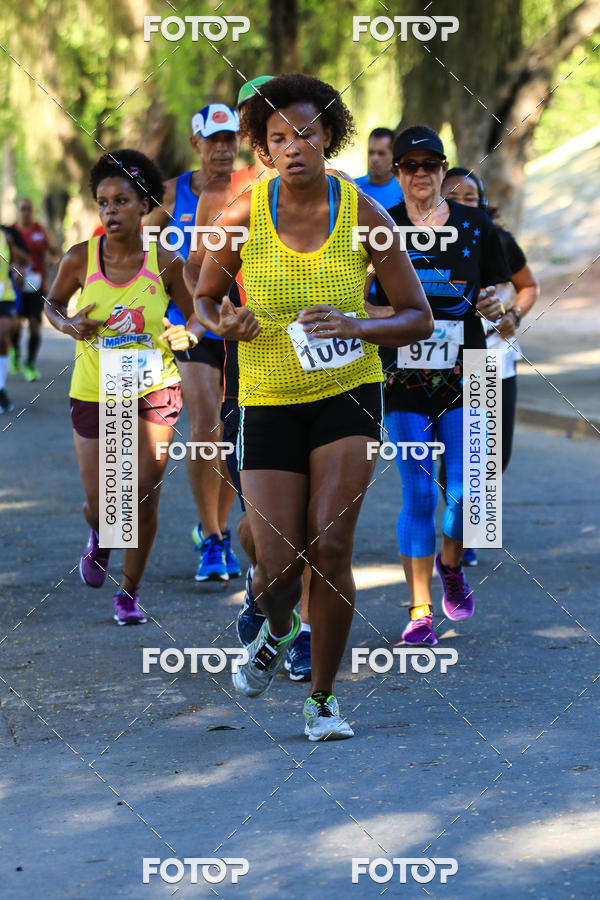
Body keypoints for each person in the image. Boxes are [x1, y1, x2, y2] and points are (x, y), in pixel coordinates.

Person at [193, 73, 433, 740]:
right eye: (277, 138)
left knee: (330, 546)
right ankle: (277, 627)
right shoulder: (242, 214)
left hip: (347, 394)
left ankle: (323, 701)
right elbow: (205, 298)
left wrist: (358, 325)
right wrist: (226, 322)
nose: (293, 145)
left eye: (304, 131)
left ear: (329, 134)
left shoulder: (365, 216)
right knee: (279, 565)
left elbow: (417, 316)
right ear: (263, 151)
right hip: (267, 398)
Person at [46, 150, 202, 624]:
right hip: (96, 390)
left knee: (143, 490)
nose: (110, 211)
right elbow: (52, 305)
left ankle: (128, 592)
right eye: (103, 203)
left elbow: (199, 310)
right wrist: (70, 323)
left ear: (144, 205)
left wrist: (188, 331)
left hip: (153, 386)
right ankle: (99, 536)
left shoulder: (167, 261)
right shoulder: (80, 258)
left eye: (121, 201)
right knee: (103, 504)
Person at [372, 127, 510, 646]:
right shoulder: (382, 228)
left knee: (469, 493)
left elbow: (499, 290)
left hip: (467, 371)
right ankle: (420, 611)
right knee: (418, 493)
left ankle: (451, 565)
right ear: (399, 173)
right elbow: (362, 301)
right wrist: (401, 316)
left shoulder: (474, 225)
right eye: (409, 165)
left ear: (443, 170)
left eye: (430, 164)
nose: (420, 174)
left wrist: (499, 307)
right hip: (403, 377)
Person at [145, 104, 242, 583]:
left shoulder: (248, 188)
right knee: (206, 426)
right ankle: (214, 538)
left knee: (231, 431)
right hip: (187, 321)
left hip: (240, 321)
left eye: (231, 140)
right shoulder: (172, 193)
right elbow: (143, 251)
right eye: (215, 140)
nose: (223, 149)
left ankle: (218, 526)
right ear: (196, 143)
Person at [441, 167, 539, 566]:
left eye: (471, 197)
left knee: (497, 454)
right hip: (453, 359)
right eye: (454, 197)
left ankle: (470, 524)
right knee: (460, 451)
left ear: (481, 203)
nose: (464, 204)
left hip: (496, 358)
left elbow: (528, 286)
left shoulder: (499, 240)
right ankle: (466, 533)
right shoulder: (428, 243)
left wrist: (513, 314)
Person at [11, 198, 60, 380]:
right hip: (17, 285)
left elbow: (56, 253)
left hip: (37, 284)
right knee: (14, 324)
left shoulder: (41, 231)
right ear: (18, 211)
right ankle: (15, 351)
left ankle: (30, 364)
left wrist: (51, 261)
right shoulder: (12, 232)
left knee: (34, 325)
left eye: (29, 209)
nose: (26, 213)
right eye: (23, 209)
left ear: (33, 211)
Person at [0, 226, 30, 413]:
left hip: (4, 294)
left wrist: (17, 269)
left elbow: (18, 261)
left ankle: (0, 388)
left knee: (2, 338)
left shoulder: (5, 235)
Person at [355, 127, 403, 208]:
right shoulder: (354, 188)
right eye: (371, 152)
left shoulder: (404, 191)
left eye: (381, 153)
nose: (374, 159)